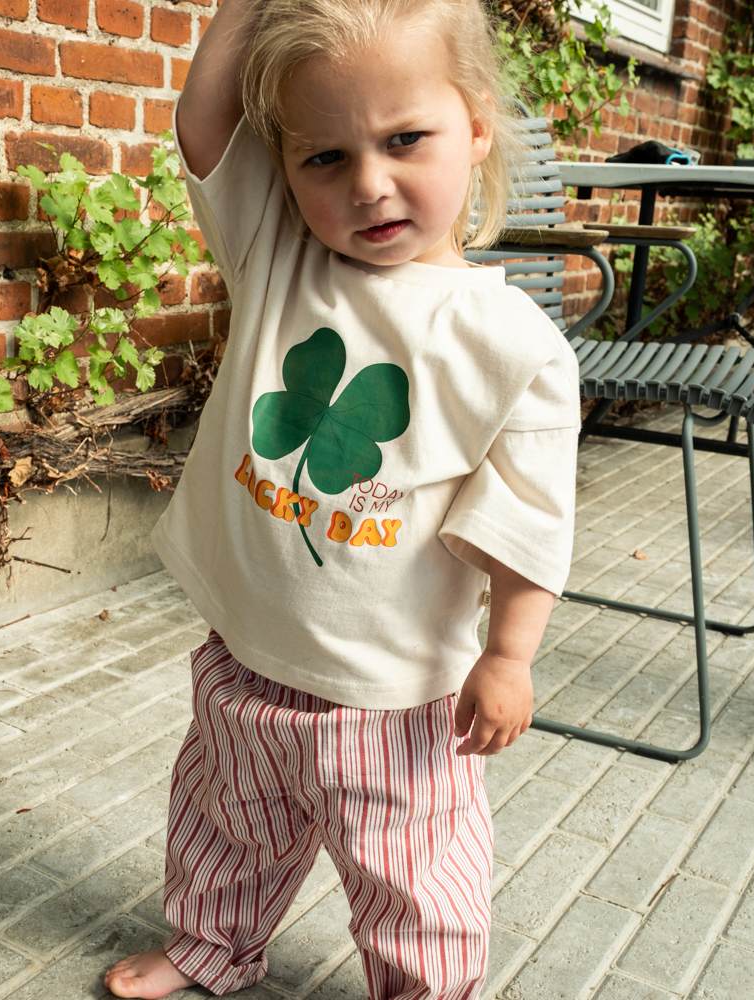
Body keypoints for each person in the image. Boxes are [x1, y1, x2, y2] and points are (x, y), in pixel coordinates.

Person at [104, 0, 581, 996]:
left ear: (476, 124)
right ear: (283, 170)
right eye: (324, 157)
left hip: (394, 698)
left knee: (417, 883)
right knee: (223, 825)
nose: (367, 184)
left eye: (405, 139)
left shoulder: (511, 344)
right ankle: (210, 945)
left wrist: (508, 655)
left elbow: (530, 518)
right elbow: (202, 120)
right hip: (246, 654)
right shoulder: (275, 251)